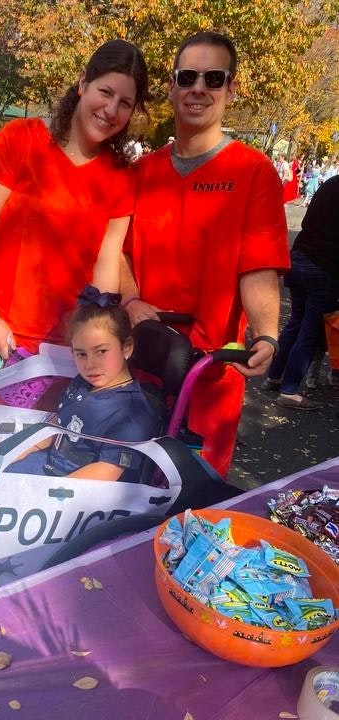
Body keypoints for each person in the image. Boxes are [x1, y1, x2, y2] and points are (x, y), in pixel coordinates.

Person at [120, 31, 289, 477]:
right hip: (140, 358)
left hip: (211, 370)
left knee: (196, 493)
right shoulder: (143, 172)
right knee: (126, 482)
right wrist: (132, 299)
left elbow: (259, 265)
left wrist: (266, 335)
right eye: (187, 77)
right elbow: (118, 252)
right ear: (172, 87)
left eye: (213, 78)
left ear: (230, 90)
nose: (199, 88)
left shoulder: (253, 172)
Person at [0, 39, 150, 362]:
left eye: (125, 103)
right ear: (83, 83)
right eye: (105, 92)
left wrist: (98, 340)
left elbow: (107, 261)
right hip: (5, 338)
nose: (111, 110)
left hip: (72, 348)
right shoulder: (20, 140)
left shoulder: (121, 176)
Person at [6, 288, 158, 479]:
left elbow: (106, 471)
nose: (90, 364)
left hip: (77, 487)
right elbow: (56, 426)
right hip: (46, 463)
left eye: (101, 351)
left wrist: (46, 490)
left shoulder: (132, 414)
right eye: (81, 354)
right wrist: (13, 451)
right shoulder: (81, 384)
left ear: (127, 347)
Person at [263, 175, 339, 409]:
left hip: (299, 257)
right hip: (324, 266)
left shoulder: (331, 183)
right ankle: (289, 390)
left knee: (295, 322)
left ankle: (274, 376)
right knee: (310, 331)